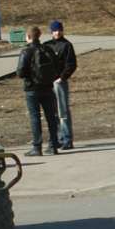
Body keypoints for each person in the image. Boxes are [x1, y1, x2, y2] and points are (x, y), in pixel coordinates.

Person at [16, 26, 60, 158]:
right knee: (51, 117)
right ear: (39, 36)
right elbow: (57, 66)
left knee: (35, 118)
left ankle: (37, 147)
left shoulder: (26, 52)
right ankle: (53, 145)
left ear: (28, 37)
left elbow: (20, 72)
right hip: (48, 87)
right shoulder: (47, 49)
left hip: (32, 89)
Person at [44, 20, 79, 151]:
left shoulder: (67, 45)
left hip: (59, 82)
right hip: (48, 83)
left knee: (63, 111)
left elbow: (71, 64)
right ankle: (56, 138)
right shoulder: (47, 45)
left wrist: (62, 77)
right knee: (52, 112)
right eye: (54, 30)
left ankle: (67, 139)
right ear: (51, 31)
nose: (57, 32)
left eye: (59, 30)